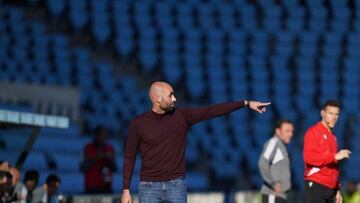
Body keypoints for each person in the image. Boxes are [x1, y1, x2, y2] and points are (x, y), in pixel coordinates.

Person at [120, 81, 271, 203]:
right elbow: (129, 156)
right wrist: (126, 190)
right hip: (149, 187)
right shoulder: (138, 123)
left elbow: (212, 110)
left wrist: (246, 103)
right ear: (158, 99)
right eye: (170, 95)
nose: (175, 98)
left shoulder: (182, 116)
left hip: (176, 186)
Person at [303, 100, 351, 203]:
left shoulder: (333, 137)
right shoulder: (313, 132)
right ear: (322, 113)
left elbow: (333, 167)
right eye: (331, 113)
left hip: (331, 189)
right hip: (316, 185)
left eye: (337, 114)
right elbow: (309, 158)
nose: (334, 117)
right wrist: (334, 157)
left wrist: (337, 189)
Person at [258, 120, 294, 203]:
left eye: (291, 131)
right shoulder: (274, 142)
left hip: (280, 195)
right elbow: (262, 163)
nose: (291, 134)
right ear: (278, 131)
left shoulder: (281, 145)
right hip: (272, 194)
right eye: (287, 131)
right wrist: (272, 183)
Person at [81, 126, 116, 194]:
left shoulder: (110, 148)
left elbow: (114, 168)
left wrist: (109, 159)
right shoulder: (87, 148)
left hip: (107, 188)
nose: (103, 137)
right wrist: (96, 158)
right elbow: (83, 168)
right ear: (96, 135)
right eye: (101, 135)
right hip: (91, 188)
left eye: (105, 135)